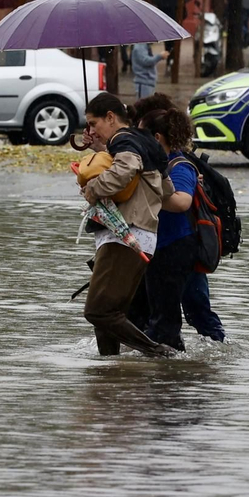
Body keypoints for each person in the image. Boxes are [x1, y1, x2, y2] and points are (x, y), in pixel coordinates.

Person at [79, 92, 174, 357]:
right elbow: (167, 188)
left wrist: (92, 188)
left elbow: (124, 170)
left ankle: (158, 352)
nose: (91, 130)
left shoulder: (123, 139)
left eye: (94, 123)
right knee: (109, 315)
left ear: (110, 117)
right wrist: (101, 152)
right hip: (142, 235)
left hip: (125, 235)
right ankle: (110, 372)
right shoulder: (142, 140)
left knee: (97, 311)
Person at [128, 95, 200, 350]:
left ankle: (170, 372)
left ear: (156, 138)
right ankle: (150, 370)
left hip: (175, 246)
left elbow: (182, 202)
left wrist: (147, 195)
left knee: (166, 319)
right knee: (139, 314)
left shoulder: (178, 164)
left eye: (140, 135)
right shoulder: (148, 163)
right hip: (152, 247)